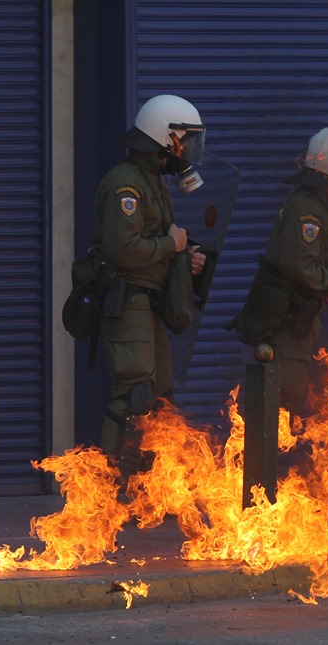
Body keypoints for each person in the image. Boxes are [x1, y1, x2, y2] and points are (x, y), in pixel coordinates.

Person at [92, 94, 208, 468]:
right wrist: (170, 244)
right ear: (165, 139)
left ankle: (152, 485)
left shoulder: (153, 181)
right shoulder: (126, 184)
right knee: (133, 395)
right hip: (130, 303)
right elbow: (123, 249)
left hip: (150, 303)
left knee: (159, 396)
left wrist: (182, 258)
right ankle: (111, 487)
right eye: (185, 140)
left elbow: (155, 243)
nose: (189, 150)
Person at [239, 127, 328, 417]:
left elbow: (310, 258)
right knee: (277, 402)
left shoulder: (318, 208)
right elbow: (297, 262)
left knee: (283, 400)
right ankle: (248, 464)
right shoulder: (307, 210)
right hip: (285, 323)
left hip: (297, 321)